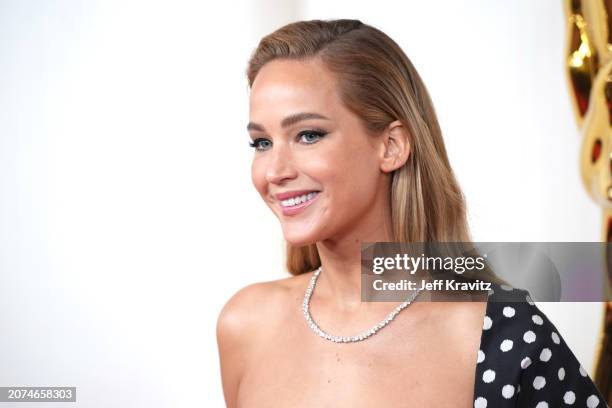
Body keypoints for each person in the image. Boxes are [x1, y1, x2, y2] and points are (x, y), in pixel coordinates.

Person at [216, 19, 608, 407]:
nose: (275, 170)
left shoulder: (500, 334)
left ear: (391, 146)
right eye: (262, 142)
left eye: (309, 135)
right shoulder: (245, 325)